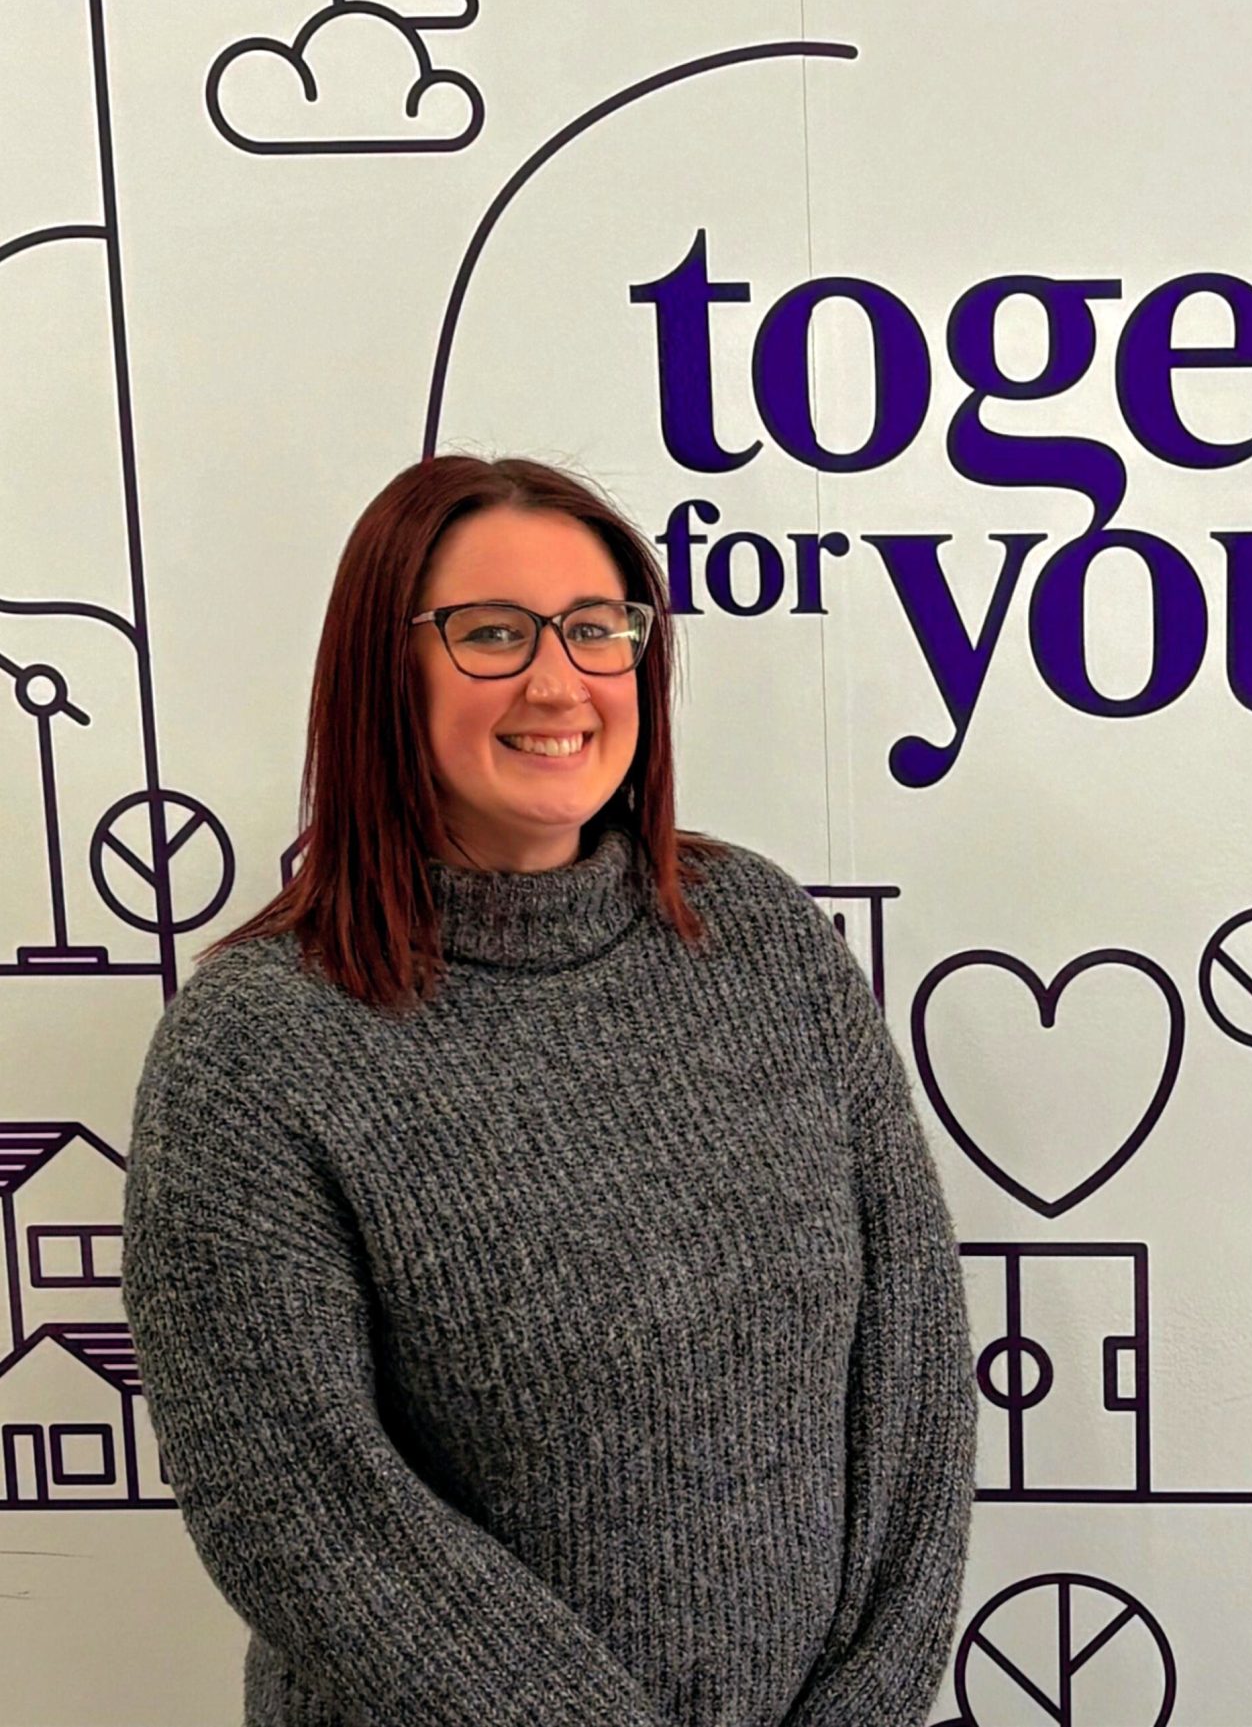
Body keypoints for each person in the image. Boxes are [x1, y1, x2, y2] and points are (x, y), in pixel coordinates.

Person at [121, 454, 976, 1727]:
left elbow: (910, 1355)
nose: (558, 678)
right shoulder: (256, 1048)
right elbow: (301, 1509)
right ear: (383, 669)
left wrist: (868, 1702)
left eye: (596, 628)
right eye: (491, 633)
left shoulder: (762, 935)